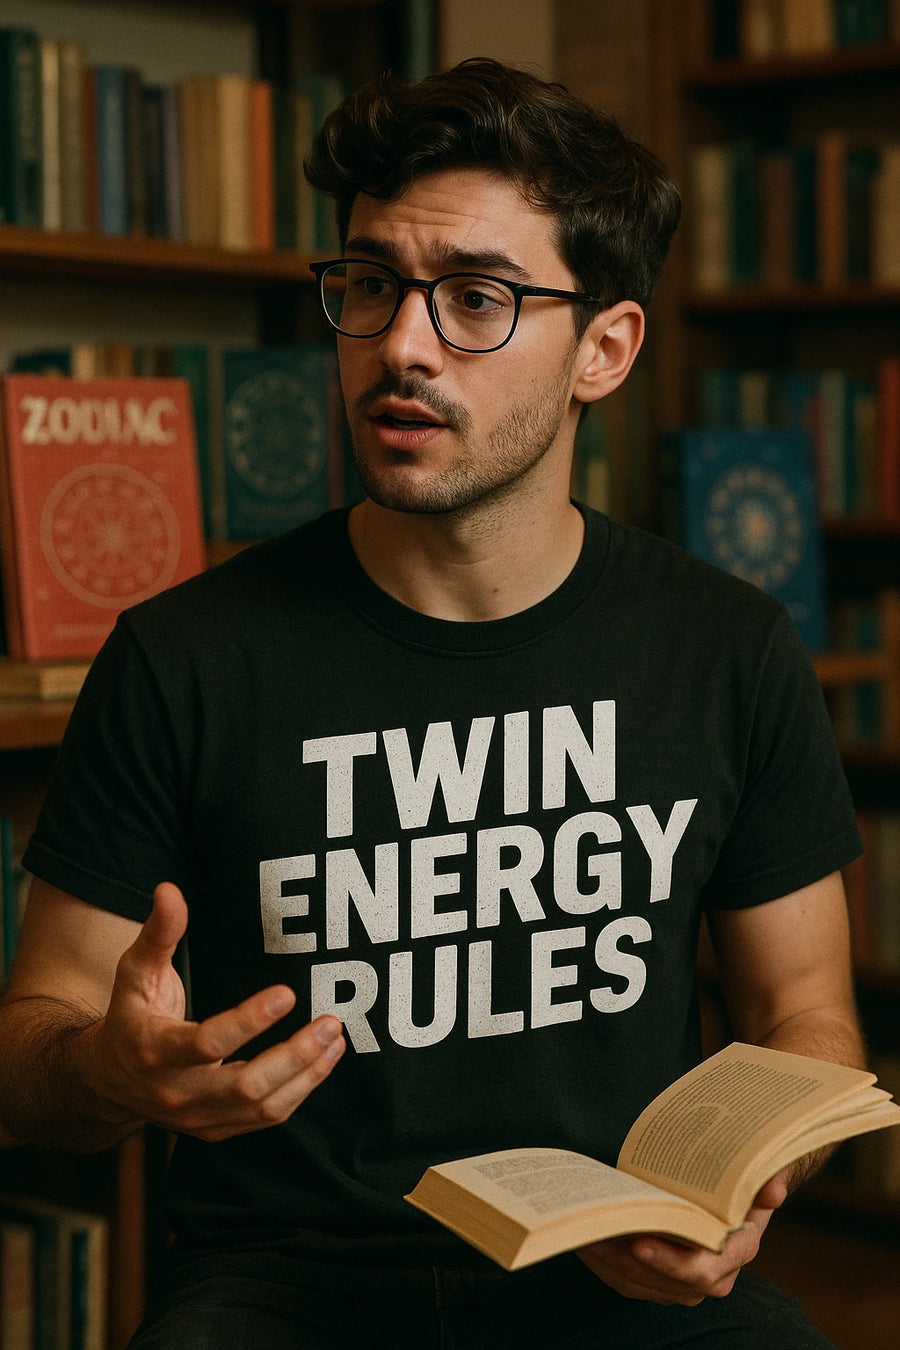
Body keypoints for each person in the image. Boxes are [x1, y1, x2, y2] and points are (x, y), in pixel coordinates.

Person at [0, 57, 865, 1349]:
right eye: (369, 286)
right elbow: (27, 1054)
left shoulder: (728, 648)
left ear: (606, 348)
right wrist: (115, 1069)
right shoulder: (184, 657)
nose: (401, 344)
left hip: (611, 1271)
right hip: (285, 1282)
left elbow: (807, 1013)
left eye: (476, 298)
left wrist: (743, 1193)